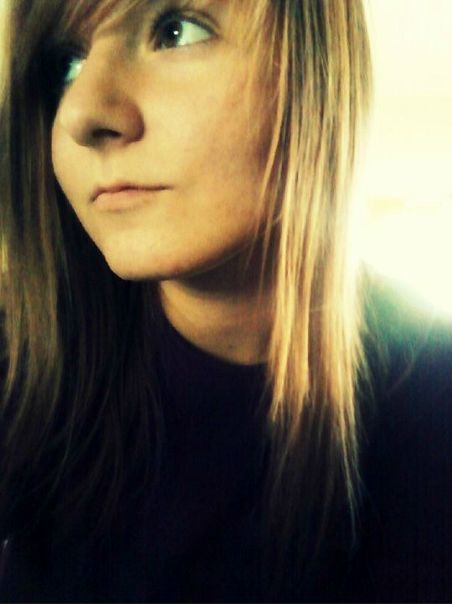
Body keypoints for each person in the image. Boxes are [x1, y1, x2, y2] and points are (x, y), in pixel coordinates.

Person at [0, 0, 450, 602]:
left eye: (175, 31)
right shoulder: (21, 372)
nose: (83, 112)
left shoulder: (435, 400)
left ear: (316, 69)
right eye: (66, 63)